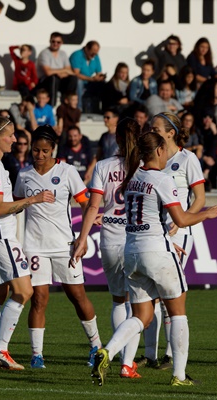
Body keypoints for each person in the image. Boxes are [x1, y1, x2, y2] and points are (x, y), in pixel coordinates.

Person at [90, 131, 217, 387]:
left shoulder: (131, 179)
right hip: (158, 251)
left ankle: (106, 351)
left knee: (142, 315)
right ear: (159, 151)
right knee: (178, 313)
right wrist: (207, 214)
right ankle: (179, 376)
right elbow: (182, 220)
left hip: (132, 251)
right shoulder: (162, 179)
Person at [0, 109, 55, 370]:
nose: (14, 140)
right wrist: (33, 199)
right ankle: (1, 349)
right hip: (0, 234)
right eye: (10, 135)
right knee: (24, 291)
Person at [13, 125, 102, 369]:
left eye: (44, 151)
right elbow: (16, 204)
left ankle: (96, 346)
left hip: (64, 245)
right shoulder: (24, 175)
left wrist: (83, 238)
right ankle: (37, 354)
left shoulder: (67, 171)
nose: (39, 155)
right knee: (39, 299)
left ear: (53, 149)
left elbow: (85, 204)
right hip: (34, 247)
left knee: (77, 296)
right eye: (35, 150)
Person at [71, 118, 141, 379]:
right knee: (139, 305)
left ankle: (121, 358)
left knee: (117, 300)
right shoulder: (144, 166)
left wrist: (82, 237)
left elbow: (93, 206)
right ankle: (127, 364)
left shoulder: (103, 166)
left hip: (109, 239)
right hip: (137, 239)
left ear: (117, 138)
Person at [138, 111, 207, 369]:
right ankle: (150, 354)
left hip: (179, 232)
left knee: (169, 295)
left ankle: (169, 354)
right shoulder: (150, 158)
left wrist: (181, 221)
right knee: (149, 295)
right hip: (153, 233)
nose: (151, 130)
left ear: (171, 133)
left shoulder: (187, 159)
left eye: (156, 127)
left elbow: (199, 197)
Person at [36, 32, 77, 107]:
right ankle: (51, 105)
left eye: (58, 42)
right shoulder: (44, 53)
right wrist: (63, 70)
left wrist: (59, 72)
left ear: (61, 43)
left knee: (73, 78)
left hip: (60, 80)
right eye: (53, 41)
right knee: (54, 78)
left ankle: (68, 103)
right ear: (50, 41)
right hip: (46, 82)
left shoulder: (63, 54)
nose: (55, 44)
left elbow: (70, 71)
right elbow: (48, 72)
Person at [69, 40, 105, 112]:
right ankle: (79, 109)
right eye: (93, 51)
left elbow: (99, 72)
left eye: (96, 52)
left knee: (103, 84)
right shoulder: (77, 55)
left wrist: (100, 77)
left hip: (89, 81)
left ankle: (100, 109)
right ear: (86, 49)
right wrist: (91, 79)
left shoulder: (95, 57)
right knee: (79, 82)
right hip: (76, 81)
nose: (94, 54)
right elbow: (76, 74)